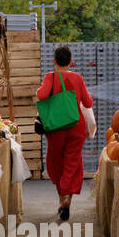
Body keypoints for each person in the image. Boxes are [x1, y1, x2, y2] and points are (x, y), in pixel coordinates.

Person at [35, 46, 93, 220]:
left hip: (56, 128)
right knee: (72, 164)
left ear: (54, 61)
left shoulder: (50, 77)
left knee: (56, 163)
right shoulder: (78, 78)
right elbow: (88, 103)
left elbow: (41, 95)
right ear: (70, 62)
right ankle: (68, 200)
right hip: (76, 127)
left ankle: (62, 199)